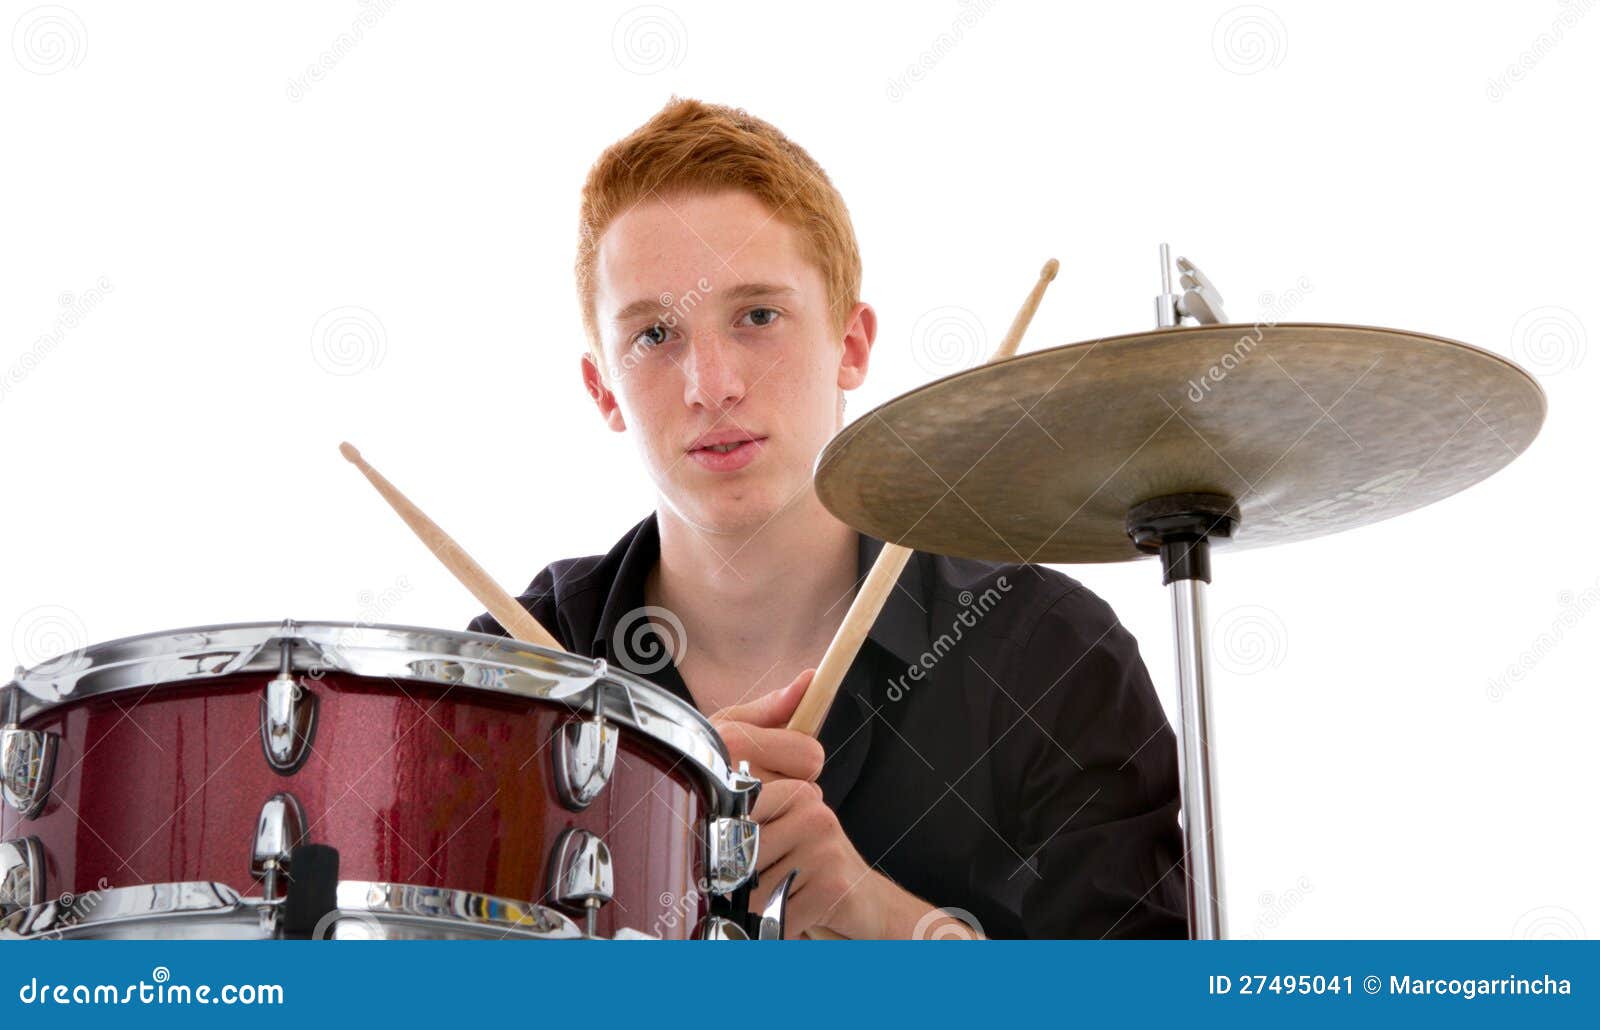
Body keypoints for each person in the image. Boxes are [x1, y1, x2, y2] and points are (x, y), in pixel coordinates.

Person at [468, 96, 1187, 939]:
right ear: (603, 389)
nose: (711, 383)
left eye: (758, 317)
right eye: (655, 334)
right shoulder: (512, 674)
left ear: (851, 346)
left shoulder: (1053, 659)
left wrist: (878, 918)